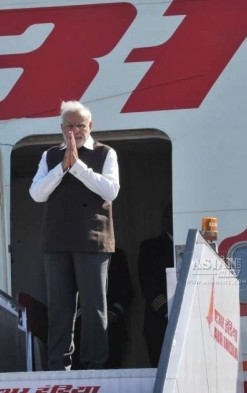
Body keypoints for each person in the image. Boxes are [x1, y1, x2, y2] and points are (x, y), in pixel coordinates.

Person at [29, 100, 120, 371]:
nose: (75, 130)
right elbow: (36, 194)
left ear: (90, 126)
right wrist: (62, 167)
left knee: (94, 309)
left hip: (93, 241)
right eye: (70, 125)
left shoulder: (106, 153)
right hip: (57, 242)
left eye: (80, 125)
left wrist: (78, 167)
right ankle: (59, 367)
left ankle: (96, 366)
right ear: (61, 128)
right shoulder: (49, 156)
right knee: (59, 308)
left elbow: (111, 190)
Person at [72, 248, 133, 369]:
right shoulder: (71, 256)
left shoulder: (115, 255)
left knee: (109, 374)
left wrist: (112, 313)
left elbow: (126, 291)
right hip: (79, 329)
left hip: (110, 328)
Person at [138, 205, 174, 367]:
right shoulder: (150, 247)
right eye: (169, 216)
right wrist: (167, 309)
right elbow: (147, 283)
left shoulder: (195, 246)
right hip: (159, 320)